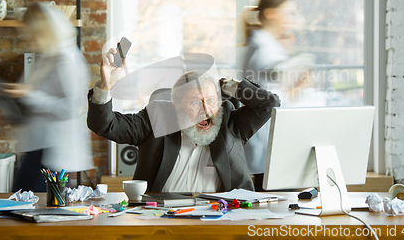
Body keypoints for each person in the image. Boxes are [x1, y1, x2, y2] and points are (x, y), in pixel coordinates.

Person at [87, 50, 281, 193]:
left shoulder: (229, 120)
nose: (206, 111)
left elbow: (269, 103)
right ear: (177, 105)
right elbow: (105, 124)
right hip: (162, 219)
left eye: (211, 101)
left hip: (223, 217)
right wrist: (106, 85)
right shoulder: (158, 118)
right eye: (196, 102)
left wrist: (228, 85)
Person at [3, 2, 93, 192]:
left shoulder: (66, 60)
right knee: (28, 206)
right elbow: (35, 99)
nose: (26, 38)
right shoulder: (46, 57)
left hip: (53, 150)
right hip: (40, 146)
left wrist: (27, 94)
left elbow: (72, 108)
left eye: (31, 33)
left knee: (27, 206)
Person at [242, 0, 292, 191]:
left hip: (268, 144)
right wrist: (297, 86)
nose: (289, 20)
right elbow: (273, 98)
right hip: (265, 146)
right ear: (271, 13)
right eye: (287, 13)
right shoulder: (263, 50)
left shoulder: (266, 46)